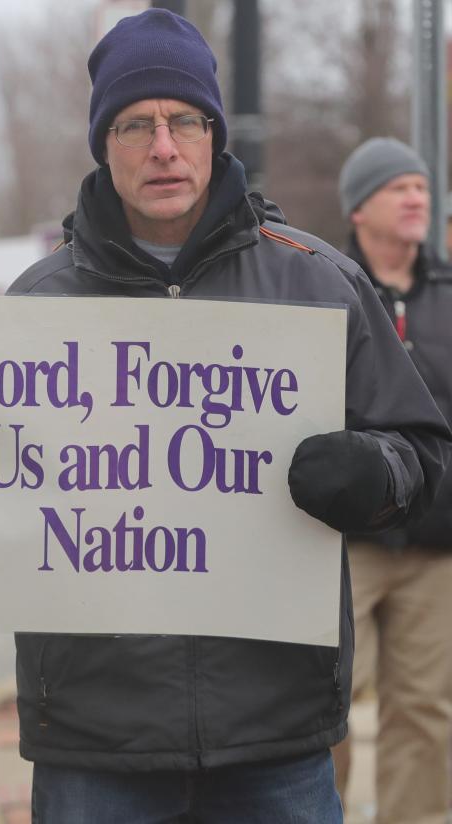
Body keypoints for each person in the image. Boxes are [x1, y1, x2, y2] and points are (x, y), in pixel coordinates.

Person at [0, 10, 452, 823]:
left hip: (273, 737)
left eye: (184, 121)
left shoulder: (317, 283)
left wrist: (373, 475)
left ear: (215, 134)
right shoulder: (35, 306)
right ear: (104, 145)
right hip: (93, 741)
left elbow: (423, 454)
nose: (164, 147)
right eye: (136, 125)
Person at [331, 138, 452, 823]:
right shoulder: (329, 289)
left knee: (426, 711)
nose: (417, 200)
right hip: (349, 542)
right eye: (399, 188)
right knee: (331, 699)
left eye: (422, 189)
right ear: (359, 208)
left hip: (436, 544)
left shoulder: (447, 294)